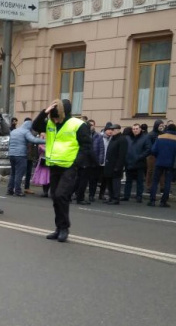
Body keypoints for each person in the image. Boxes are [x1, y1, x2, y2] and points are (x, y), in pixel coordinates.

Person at [32, 99, 92, 243]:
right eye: (53, 117)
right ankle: (59, 228)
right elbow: (35, 126)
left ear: (65, 114)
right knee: (55, 197)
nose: (55, 120)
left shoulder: (78, 125)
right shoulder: (51, 123)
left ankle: (64, 228)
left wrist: (75, 164)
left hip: (69, 166)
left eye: (57, 117)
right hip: (54, 165)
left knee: (61, 195)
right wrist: (44, 112)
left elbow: (86, 147)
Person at [148, 124, 176, 207]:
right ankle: (163, 202)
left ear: (167, 129)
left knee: (155, 181)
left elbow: (153, 150)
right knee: (167, 182)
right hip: (171, 164)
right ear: (175, 130)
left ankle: (152, 200)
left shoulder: (160, 137)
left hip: (159, 162)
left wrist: (158, 156)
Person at [7, 118, 45, 196]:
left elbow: (9, 143)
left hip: (11, 154)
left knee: (13, 173)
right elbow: (33, 140)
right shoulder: (25, 132)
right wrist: (46, 141)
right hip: (20, 155)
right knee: (19, 174)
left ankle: (10, 190)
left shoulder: (14, 131)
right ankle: (17, 191)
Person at [123, 123, 151, 203]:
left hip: (139, 163)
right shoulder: (128, 138)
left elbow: (148, 149)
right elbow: (124, 148)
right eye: (133, 129)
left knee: (139, 181)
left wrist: (140, 157)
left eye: (136, 129)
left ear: (140, 129)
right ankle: (126, 196)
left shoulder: (145, 138)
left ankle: (139, 196)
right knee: (128, 181)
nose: (135, 130)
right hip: (129, 162)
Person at [103, 124, 128, 205]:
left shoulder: (122, 139)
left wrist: (118, 166)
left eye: (113, 130)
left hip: (116, 166)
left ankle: (115, 198)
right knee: (109, 182)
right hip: (109, 165)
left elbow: (122, 155)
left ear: (118, 130)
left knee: (115, 183)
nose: (111, 131)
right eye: (111, 129)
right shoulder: (113, 138)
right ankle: (111, 196)